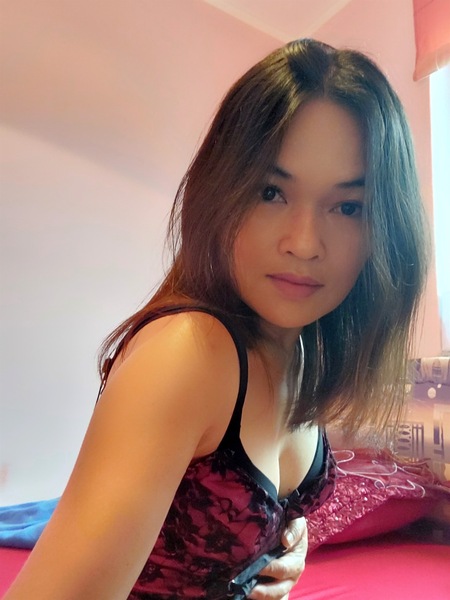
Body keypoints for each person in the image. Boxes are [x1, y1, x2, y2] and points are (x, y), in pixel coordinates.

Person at [5, 38, 428, 599]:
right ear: (221, 191)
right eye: (271, 192)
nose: (304, 243)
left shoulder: (301, 350)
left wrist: (282, 544)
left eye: (348, 206)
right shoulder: (189, 351)